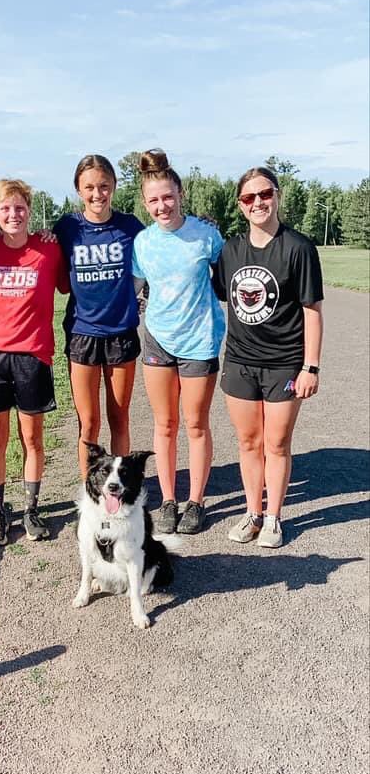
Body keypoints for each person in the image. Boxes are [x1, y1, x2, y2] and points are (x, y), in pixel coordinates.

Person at [214, 166, 324, 548]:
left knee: (276, 443)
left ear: (277, 196)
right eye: (249, 198)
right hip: (240, 362)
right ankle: (252, 513)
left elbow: (312, 310)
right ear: (240, 205)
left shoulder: (299, 248)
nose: (257, 202)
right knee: (248, 442)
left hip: (285, 364)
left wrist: (310, 366)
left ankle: (274, 517)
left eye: (264, 194)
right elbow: (217, 296)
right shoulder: (230, 250)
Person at [0, 178, 69, 546]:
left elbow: (65, 285)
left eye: (20, 207)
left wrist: (52, 236)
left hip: (33, 353)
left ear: (29, 209)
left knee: (32, 438)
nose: (13, 214)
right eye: (5, 208)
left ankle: (30, 509)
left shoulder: (48, 249)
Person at [132, 149, 225, 534]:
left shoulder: (206, 236)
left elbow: (227, 279)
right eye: (153, 200)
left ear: (180, 194)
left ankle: (196, 501)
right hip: (158, 341)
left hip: (200, 341)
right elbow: (139, 289)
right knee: (164, 424)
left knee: (195, 424)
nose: (161, 206)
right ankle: (169, 500)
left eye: (167, 197)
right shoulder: (142, 242)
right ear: (144, 202)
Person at [53, 155, 144, 478]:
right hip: (83, 333)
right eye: (89, 187)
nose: (97, 194)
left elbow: (156, 252)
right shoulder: (67, 227)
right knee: (88, 422)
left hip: (120, 332)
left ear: (114, 187)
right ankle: (90, 490)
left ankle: (121, 485)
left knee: (119, 418)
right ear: (79, 190)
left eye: (104, 186)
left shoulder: (130, 227)